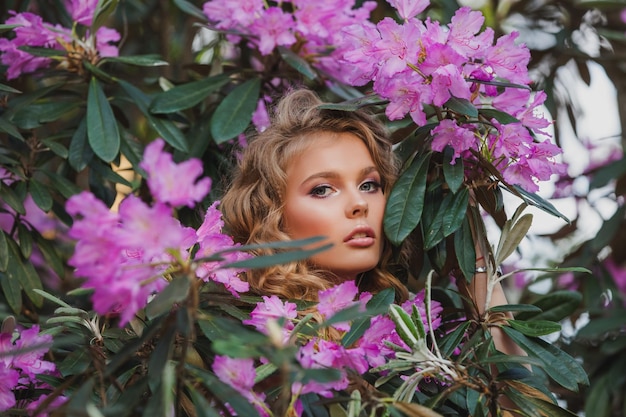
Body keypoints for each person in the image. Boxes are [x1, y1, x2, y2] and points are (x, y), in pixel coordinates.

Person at [219, 88, 525, 411]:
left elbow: (521, 403)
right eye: (323, 189)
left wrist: (469, 245)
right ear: (273, 217)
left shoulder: (411, 336)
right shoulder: (259, 347)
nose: (359, 204)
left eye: (370, 185)